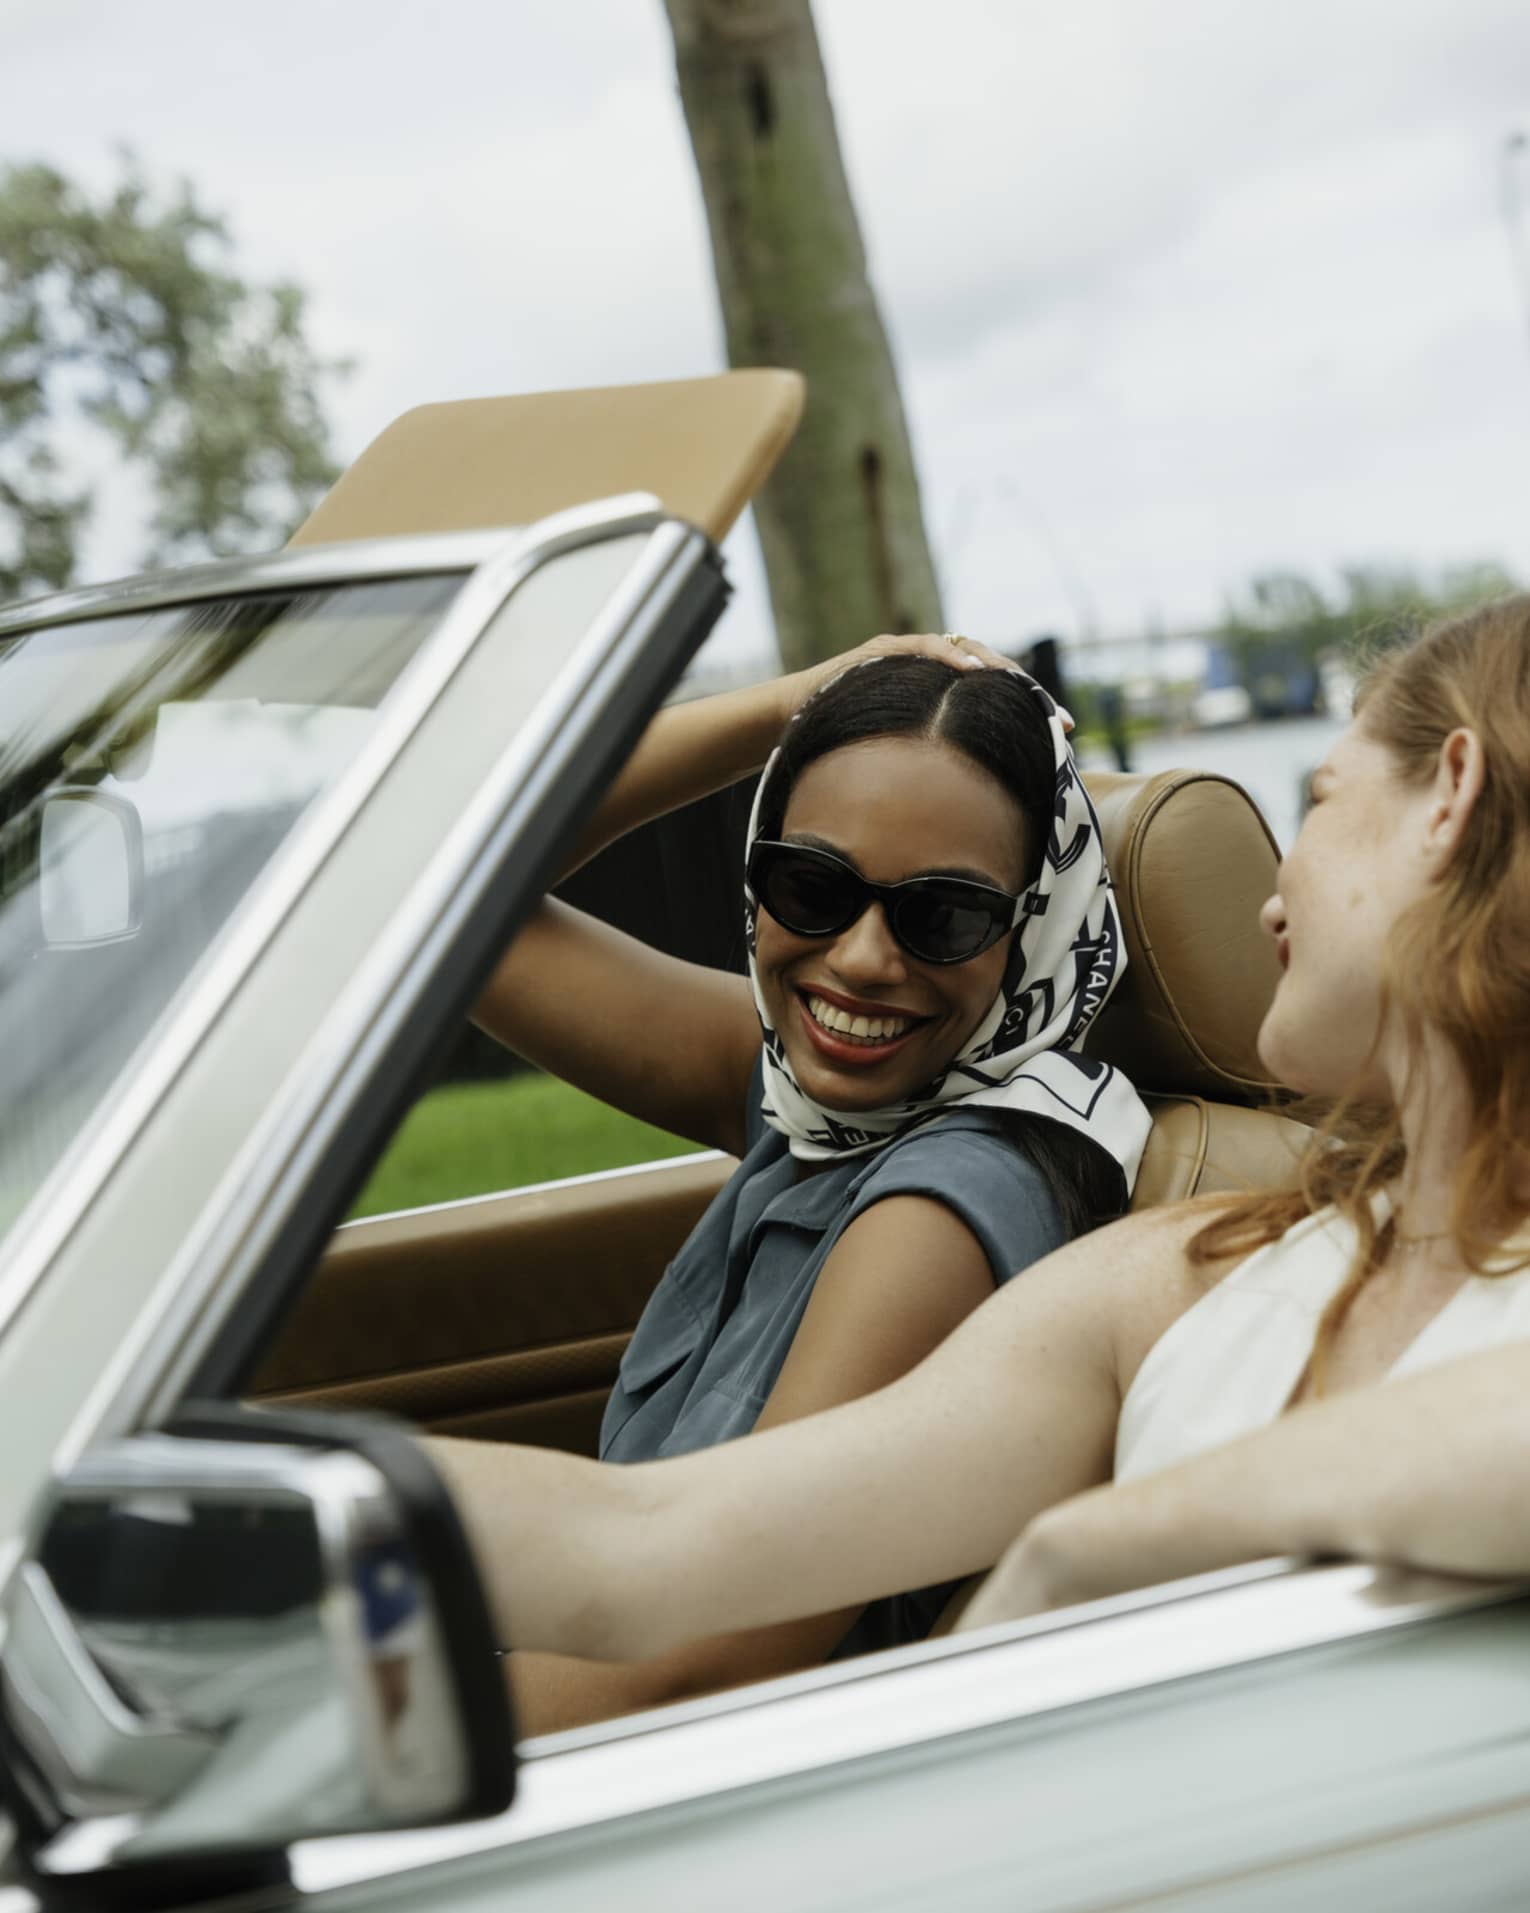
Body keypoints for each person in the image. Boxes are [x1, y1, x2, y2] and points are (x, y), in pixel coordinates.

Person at [434, 594, 1530, 1674]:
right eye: (808, 884)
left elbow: (701, 1634)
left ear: (1450, 798)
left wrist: (1083, 1557)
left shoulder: (1086, 1237)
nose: (1268, 891)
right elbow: (654, 1544)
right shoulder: (1181, 1270)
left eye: (1318, 797)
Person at [472, 633, 1151, 1728]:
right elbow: (441, 887)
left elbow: (711, 1664)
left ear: (1032, 928)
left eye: (943, 913)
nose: (864, 958)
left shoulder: (940, 1207)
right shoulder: (828, 1101)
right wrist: (789, 706)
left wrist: (329, 1727)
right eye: (811, 884)